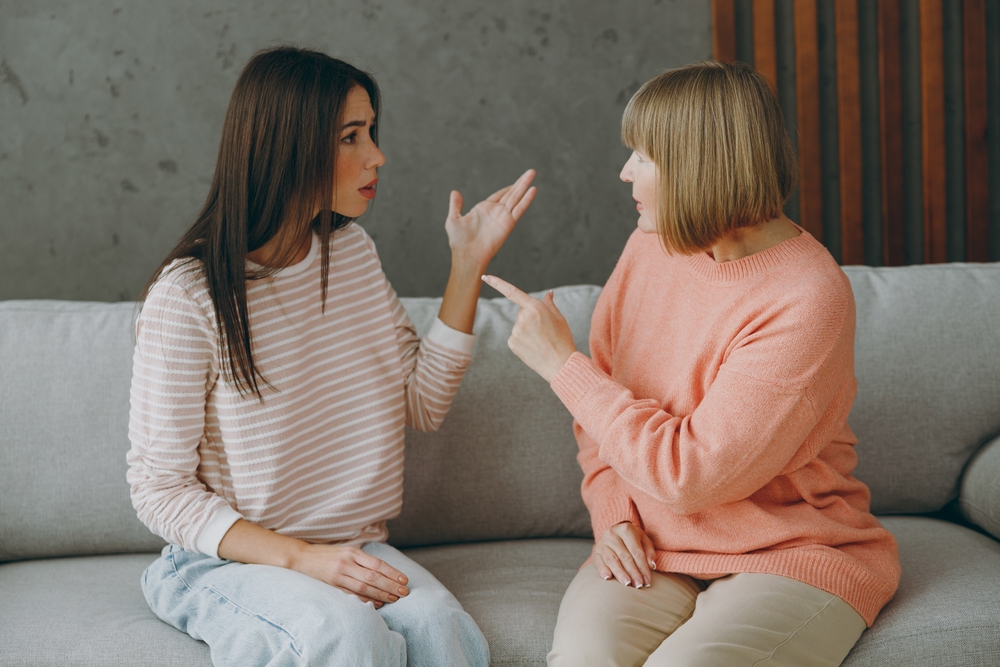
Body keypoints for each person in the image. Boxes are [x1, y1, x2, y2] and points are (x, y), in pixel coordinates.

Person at [126, 46, 536, 667]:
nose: (377, 155)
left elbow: (421, 402)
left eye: (371, 131)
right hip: (222, 562)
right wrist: (303, 558)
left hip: (352, 546)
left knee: (441, 630)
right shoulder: (190, 295)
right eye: (351, 137)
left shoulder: (351, 255)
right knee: (343, 633)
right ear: (287, 146)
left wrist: (467, 265)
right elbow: (159, 489)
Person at [482, 61, 901, 667]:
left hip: (791, 552)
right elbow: (602, 411)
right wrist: (613, 513)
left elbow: (691, 475)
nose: (624, 172)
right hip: (652, 544)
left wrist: (560, 366)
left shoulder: (807, 298)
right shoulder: (652, 245)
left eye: (643, 157)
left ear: (699, 165)